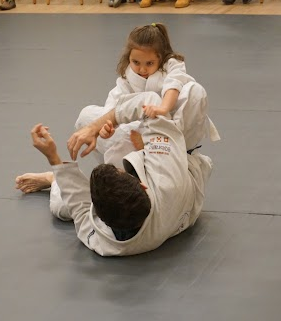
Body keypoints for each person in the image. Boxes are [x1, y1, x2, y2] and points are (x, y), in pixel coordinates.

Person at [16, 83, 220, 256]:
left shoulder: (102, 242)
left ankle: (54, 180)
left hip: (161, 179)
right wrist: (145, 146)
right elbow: (151, 102)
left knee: (62, 207)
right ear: (142, 184)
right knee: (194, 92)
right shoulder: (167, 180)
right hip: (182, 166)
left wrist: (53, 156)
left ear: (98, 213)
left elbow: (79, 208)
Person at [74, 23, 198, 169]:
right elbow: (115, 107)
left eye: (150, 63)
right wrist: (106, 128)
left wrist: (163, 108)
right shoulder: (127, 78)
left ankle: (142, 149)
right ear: (129, 57)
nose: (142, 69)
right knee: (85, 117)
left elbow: (174, 84)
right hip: (134, 133)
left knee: (195, 92)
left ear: (161, 57)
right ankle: (113, 171)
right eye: (136, 62)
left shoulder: (172, 66)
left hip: (168, 136)